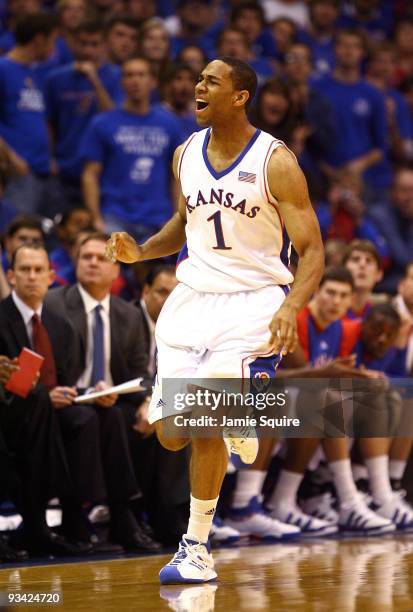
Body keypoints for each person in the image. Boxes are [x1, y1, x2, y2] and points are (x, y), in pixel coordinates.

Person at [107, 56, 325, 583]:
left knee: (205, 421)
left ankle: (195, 548)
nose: (197, 87)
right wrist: (141, 252)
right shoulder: (184, 154)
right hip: (193, 299)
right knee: (172, 435)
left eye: (211, 81)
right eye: (199, 80)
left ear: (240, 96)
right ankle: (239, 412)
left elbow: (313, 248)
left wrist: (292, 307)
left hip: (254, 300)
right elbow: (183, 224)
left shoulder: (276, 161)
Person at [45, 232, 160, 552]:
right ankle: (99, 515)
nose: (93, 263)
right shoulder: (55, 304)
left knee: (149, 418)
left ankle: (154, 515)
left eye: (101, 258)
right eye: (86, 257)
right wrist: (87, 391)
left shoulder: (129, 313)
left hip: (115, 399)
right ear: (76, 264)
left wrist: (148, 401)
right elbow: (52, 369)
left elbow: (141, 371)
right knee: (95, 418)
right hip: (70, 399)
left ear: (116, 271)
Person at [0, 244, 94, 556]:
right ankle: (37, 525)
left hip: (48, 411)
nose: (32, 276)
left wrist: (78, 394)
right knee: (39, 398)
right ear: (11, 276)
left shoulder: (61, 325)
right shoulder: (1, 318)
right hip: (8, 413)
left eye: (39, 270)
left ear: (51, 277)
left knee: (87, 418)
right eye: (24, 270)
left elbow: (67, 378)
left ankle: (75, 518)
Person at [81, 56, 182, 242]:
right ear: (122, 82)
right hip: (115, 216)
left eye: (141, 75)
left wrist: (177, 217)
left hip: (158, 218)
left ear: (152, 82)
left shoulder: (169, 124)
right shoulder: (102, 123)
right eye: (129, 75)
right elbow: (90, 174)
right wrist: (96, 218)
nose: (135, 80)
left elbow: (177, 176)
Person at [45, 18, 123, 208]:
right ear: (72, 44)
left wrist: (94, 80)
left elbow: (115, 118)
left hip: (104, 170)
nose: (88, 50)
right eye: (83, 44)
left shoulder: (118, 76)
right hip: (64, 167)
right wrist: (50, 158)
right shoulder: (56, 79)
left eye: (94, 44)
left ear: (104, 45)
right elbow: (48, 123)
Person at [0, 13, 59, 215]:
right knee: (20, 230)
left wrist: (49, 157)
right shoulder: (3, 69)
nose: (54, 48)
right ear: (39, 39)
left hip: (43, 170)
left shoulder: (36, 73)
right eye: (52, 41)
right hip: (18, 171)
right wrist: (11, 157)